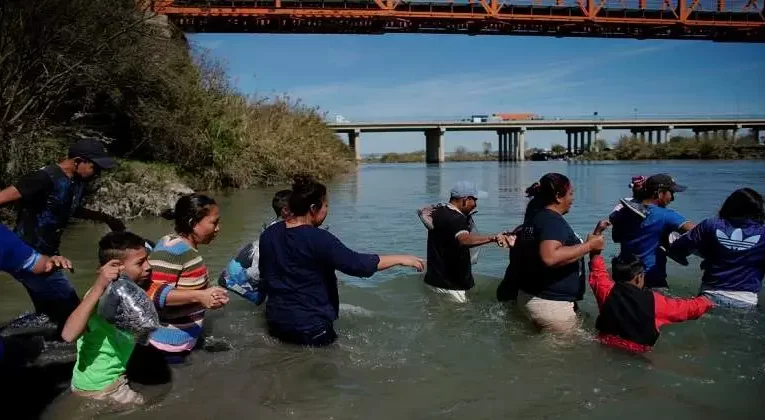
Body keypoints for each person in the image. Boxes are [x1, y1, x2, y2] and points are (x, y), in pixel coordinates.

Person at [259, 175, 425, 346]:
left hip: (276, 321)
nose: (327, 211)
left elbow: (266, 274)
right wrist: (400, 258)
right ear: (314, 208)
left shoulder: (268, 234)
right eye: (326, 206)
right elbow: (358, 265)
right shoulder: (319, 238)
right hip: (311, 326)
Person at [0, 138, 125, 330]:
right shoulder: (43, 178)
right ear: (77, 161)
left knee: (50, 313)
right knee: (74, 314)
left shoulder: (76, 180)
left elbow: (67, 207)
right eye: (95, 167)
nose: (98, 173)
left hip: (49, 255)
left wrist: (105, 218)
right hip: (28, 256)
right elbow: (3, 197)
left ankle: (32, 338)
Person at [505, 173, 606, 333]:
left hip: (533, 298)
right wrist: (589, 246)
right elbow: (550, 257)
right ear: (558, 196)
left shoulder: (536, 218)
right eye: (571, 194)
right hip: (552, 306)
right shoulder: (551, 221)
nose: (572, 199)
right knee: (564, 355)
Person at [61, 232, 152, 405]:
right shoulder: (102, 295)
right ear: (117, 268)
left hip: (90, 380)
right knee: (150, 408)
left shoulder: (124, 290)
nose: (148, 266)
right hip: (105, 386)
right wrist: (99, 286)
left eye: (147, 259)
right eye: (140, 263)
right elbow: (68, 335)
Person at [590, 237, 715, 353]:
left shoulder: (606, 291)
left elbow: (597, 273)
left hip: (605, 345)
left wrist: (595, 250)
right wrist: (706, 301)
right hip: (636, 354)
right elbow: (686, 309)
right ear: (639, 277)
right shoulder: (654, 301)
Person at [145, 193, 230, 363]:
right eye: (214, 222)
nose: (218, 228)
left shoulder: (187, 250)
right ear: (193, 223)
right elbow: (151, 294)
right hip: (164, 347)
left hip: (181, 342)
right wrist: (200, 297)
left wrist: (208, 297)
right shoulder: (171, 250)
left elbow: (183, 291)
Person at [670, 188, 765, 308]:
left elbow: (679, 247)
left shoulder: (711, 224)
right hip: (746, 300)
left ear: (729, 205)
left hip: (710, 296)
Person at [422, 181, 511, 303]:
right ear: (465, 200)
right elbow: (464, 240)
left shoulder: (439, 212)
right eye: (474, 200)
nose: (475, 205)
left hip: (433, 280)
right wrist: (493, 238)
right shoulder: (457, 219)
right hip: (453, 287)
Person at [611, 174, 695, 289]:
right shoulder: (666, 215)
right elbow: (698, 231)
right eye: (671, 193)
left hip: (624, 276)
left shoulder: (624, 212)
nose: (673, 198)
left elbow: (616, 238)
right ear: (659, 193)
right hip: (651, 279)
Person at [218, 189, 291, 304]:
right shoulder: (282, 231)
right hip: (234, 278)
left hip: (240, 270)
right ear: (286, 211)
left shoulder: (274, 226)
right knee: (263, 300)